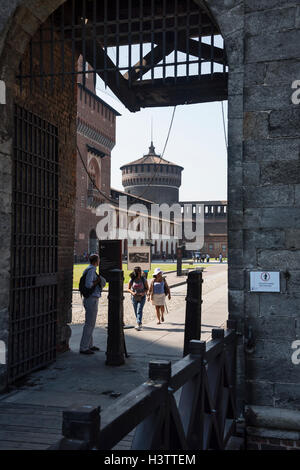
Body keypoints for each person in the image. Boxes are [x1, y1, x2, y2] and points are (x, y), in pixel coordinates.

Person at [79, 254, 106, 355]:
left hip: (91, 298)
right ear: (96, 261)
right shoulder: (91, 270)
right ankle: (84, 347)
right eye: (98, 260)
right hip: (91, 299)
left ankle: (89, 345)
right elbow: (89, 284)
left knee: (90, 323)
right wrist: (97, 281)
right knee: (89, 324)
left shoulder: (90, 269)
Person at [128, 266, 149, 331]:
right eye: (137, 272)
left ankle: (139, 323)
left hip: (142, 297)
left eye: (139, 271)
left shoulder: (143, 279)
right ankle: (139, 322)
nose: (138, 273)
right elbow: (128, 288)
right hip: (134, 297)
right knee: (136, 311)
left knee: (139, 310)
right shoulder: (132, 279)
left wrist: (143, 293)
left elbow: (147, 288)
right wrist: (132, 292)